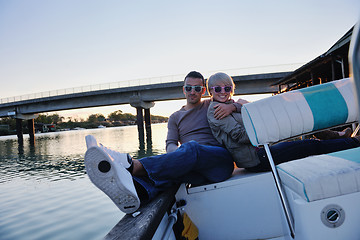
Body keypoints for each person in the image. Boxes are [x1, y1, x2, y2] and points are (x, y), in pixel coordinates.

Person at [84, 71, 243, 214]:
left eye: (197, 88)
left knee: (192, 148)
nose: (192, 92)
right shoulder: (175, 117)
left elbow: (248, 106)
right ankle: (137, 192)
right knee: (174, 171)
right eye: (189, 88)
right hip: (196, 171)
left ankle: (131, 165)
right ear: (183, 89)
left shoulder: (213, 103)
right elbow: (171, 145)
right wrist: (179, 157)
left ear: (204, 91)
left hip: (219, 163)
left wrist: (233, 107)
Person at [206, 72, 360, 172]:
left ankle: (335, 135)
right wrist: (272, 129)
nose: (223, 92)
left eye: (227, 88)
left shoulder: (233, 105)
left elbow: (255, 113)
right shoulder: (215, 110)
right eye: (217, 89)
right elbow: (240, 136)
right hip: (257, 158)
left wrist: (235, 106)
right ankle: (354, 143)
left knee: (298, 118)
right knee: (309, 146)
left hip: (264, 148)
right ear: (210, 91)